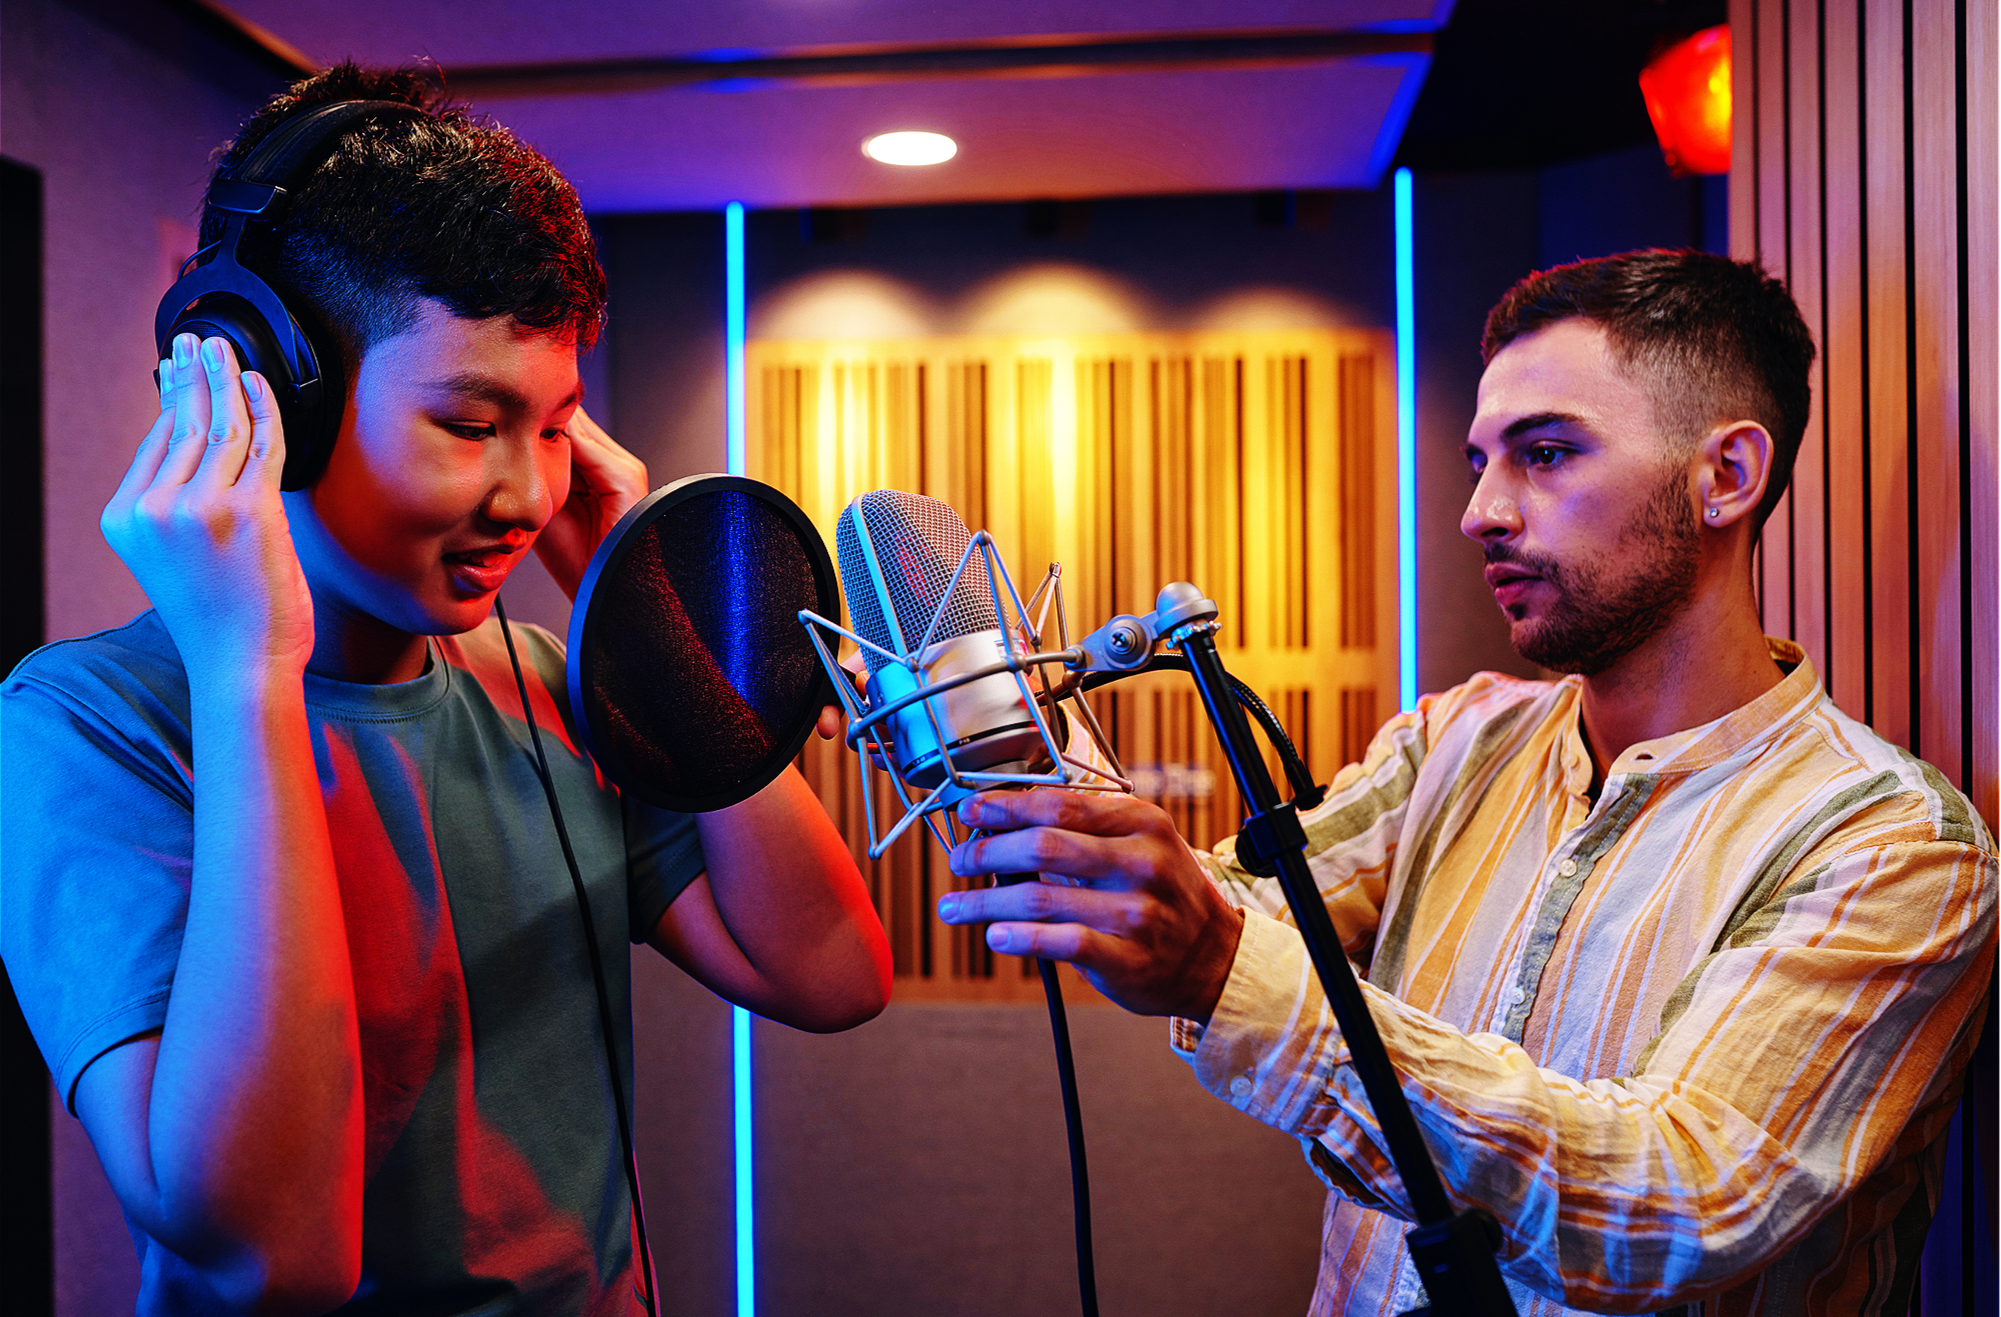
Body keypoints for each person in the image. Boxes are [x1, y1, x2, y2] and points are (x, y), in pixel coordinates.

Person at [937, 250, 1997, 1315]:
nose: (1480, 511)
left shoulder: (1889, 845)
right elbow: (1234, 914)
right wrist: (989, 736)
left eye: (1544, 454)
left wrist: (1221, 965)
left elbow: (1677, 1199)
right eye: (1481, 461)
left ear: (1726, 477)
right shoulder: (1457, 739)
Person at [0, 65, 890, 1314]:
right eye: (471, 426)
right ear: (277, 398)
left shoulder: (546, 686)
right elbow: (279, 1254)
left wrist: (639, 620)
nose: (528, 496)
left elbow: (833, 973)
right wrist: (251, 673)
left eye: (555, 424)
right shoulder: (91, 728)